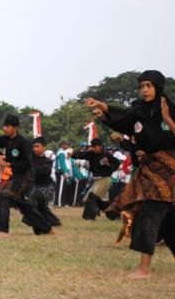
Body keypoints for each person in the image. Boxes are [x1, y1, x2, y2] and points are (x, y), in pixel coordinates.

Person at [86, 70, 175, 279]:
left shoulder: (171, 108)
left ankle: (144, 269)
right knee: (169, 221)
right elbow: (122, 117)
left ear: (158, 87)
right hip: (147, 169)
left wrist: (167, 118)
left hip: (170, 170)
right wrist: (101, 105)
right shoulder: (138, 110)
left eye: (148, 85)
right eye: (141, 86)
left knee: (149, 215)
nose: (144, 90)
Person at [0, 114, 55, 236]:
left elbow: (27, 164)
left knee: (4, 195)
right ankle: (46, 229)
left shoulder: (24, 143)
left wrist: (7, 163)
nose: (4, 128)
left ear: (15, 127)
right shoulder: (6, 140)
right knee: (23, 205)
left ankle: (2, 231)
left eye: (7, 126)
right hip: (16, 176)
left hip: (26, 176)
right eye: (4, 126)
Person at [72, 138, 120, 220]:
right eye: (93, 147)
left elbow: (117, 162)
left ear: (100, 146)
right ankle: (114, 215)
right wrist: (73, 154)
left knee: (92, 197)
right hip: (97, 180)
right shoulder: (91, 154)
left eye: (95, 147)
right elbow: (82, 154)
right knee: (95, 199)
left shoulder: (106, 155)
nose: (94, 149)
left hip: (105, 179)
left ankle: (89, 217)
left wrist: (108, 164)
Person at [28, 137, 61, 226]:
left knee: (34, 199)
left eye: (37, 146)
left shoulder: (47, 161)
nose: (35, 149)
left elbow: (41, 172)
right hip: (35, 186)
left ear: (44, 147)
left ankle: (34, 220)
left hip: (46, 188)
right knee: (42, 207)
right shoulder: (31, 158)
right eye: (33, 147)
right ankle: (54, 221)